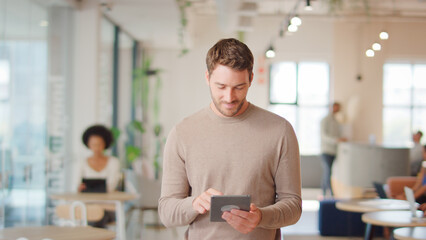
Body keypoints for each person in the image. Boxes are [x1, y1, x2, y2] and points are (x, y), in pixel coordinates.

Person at [158, 38, 302, 240]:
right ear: (207, 77)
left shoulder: (280, 131)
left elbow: (293, 206)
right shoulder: (182, 133)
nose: (229, 97)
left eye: (239, 87)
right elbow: (166, 212)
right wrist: (194, 204)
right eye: (221, 86)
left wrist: (260, 217)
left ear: (251, 78)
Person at [75, 124, 121, 227]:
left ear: (105, 144)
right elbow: (78, 185)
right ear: (88, 144)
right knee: (91, 215)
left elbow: (111, 186)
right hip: (87, 206)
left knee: (98, 216)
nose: (96, 148)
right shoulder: (82, 162)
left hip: (108, 207)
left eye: (99, 144)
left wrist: (91, 188)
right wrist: (80, 188)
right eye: (93, 144)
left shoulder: (114, 162)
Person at [320, 102, 347, 198]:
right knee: (328, 172)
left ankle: (324, 192)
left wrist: (341, 139)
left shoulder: (336, 121)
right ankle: (330, 193)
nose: (338, 109)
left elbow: (338, 134)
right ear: (332, 107)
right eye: (336, 107)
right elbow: (324, 136)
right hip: (326, 151)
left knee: (328, 172)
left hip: (334, 151)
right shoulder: (325, 120)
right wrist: (336, 140)